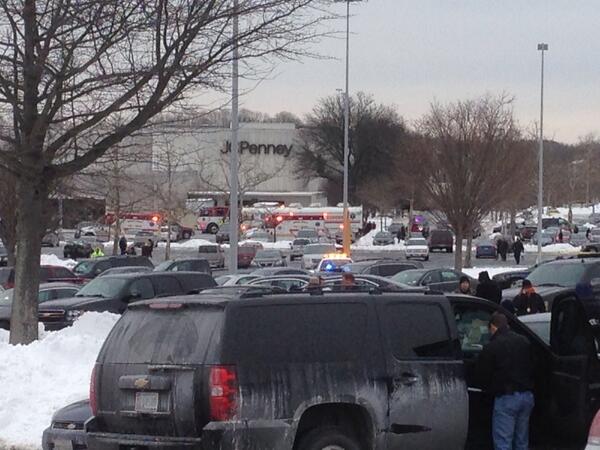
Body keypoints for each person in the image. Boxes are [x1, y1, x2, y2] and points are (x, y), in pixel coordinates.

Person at [476, 313, 534, 450]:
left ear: (492, 327)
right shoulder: (524, 341)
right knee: (521, 441)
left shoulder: (492, 347)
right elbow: (533, 364)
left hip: (506, 398)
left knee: (503, 442)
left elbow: (482, 375)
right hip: (527, 397)